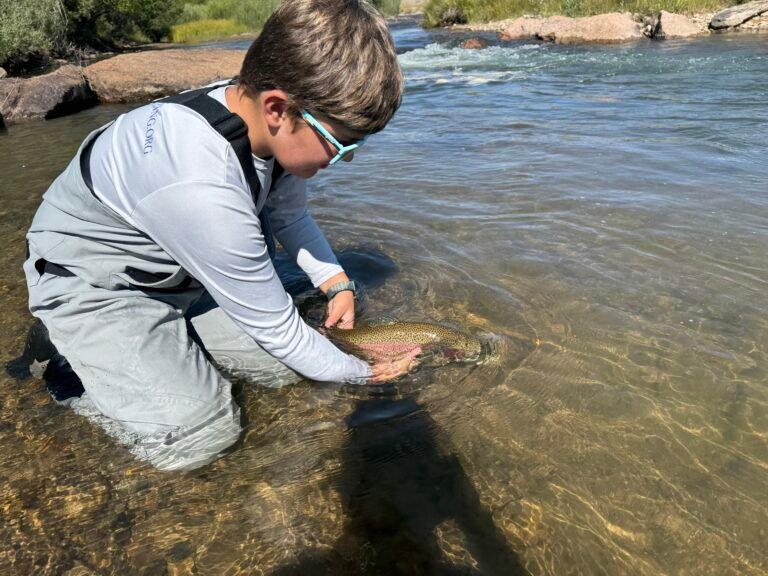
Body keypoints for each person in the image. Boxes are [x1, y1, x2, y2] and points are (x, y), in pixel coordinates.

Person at [22, 0, 417, 471]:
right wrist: (365, 373)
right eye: (341, 142)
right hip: (95, 283)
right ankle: (67, 367)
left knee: (287, 368)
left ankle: (167, 349)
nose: (347, 158)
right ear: (278, 108)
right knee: (201, 436)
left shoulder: (261, 123)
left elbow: (289, 216)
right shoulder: (199, 182)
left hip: (178, 272)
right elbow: (278, 329)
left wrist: (337, 283)